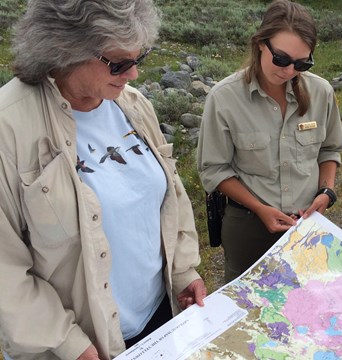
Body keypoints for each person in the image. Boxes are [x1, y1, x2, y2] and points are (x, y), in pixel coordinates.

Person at [0, 1, 207, 358]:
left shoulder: (134, 105)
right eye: (119, 63)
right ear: (64, 49)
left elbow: (171, 193)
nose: (133, 75)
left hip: (160, 317)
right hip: (81, 343)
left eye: (139, 58)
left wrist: (183, 272)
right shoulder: (8, 126)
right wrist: (68, 343)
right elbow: (6, 269)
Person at [197, 0, 342, 283]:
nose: (289, 71)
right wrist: (259, 208)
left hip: (307, 225)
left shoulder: (321, 92)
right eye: (282, 59)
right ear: (260, 44)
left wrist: (326, 192)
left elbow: (329, 149)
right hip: (249, 226)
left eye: (302, 63)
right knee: (246, 309)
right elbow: (214, 169)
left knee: (309, 305)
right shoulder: (224, 98)